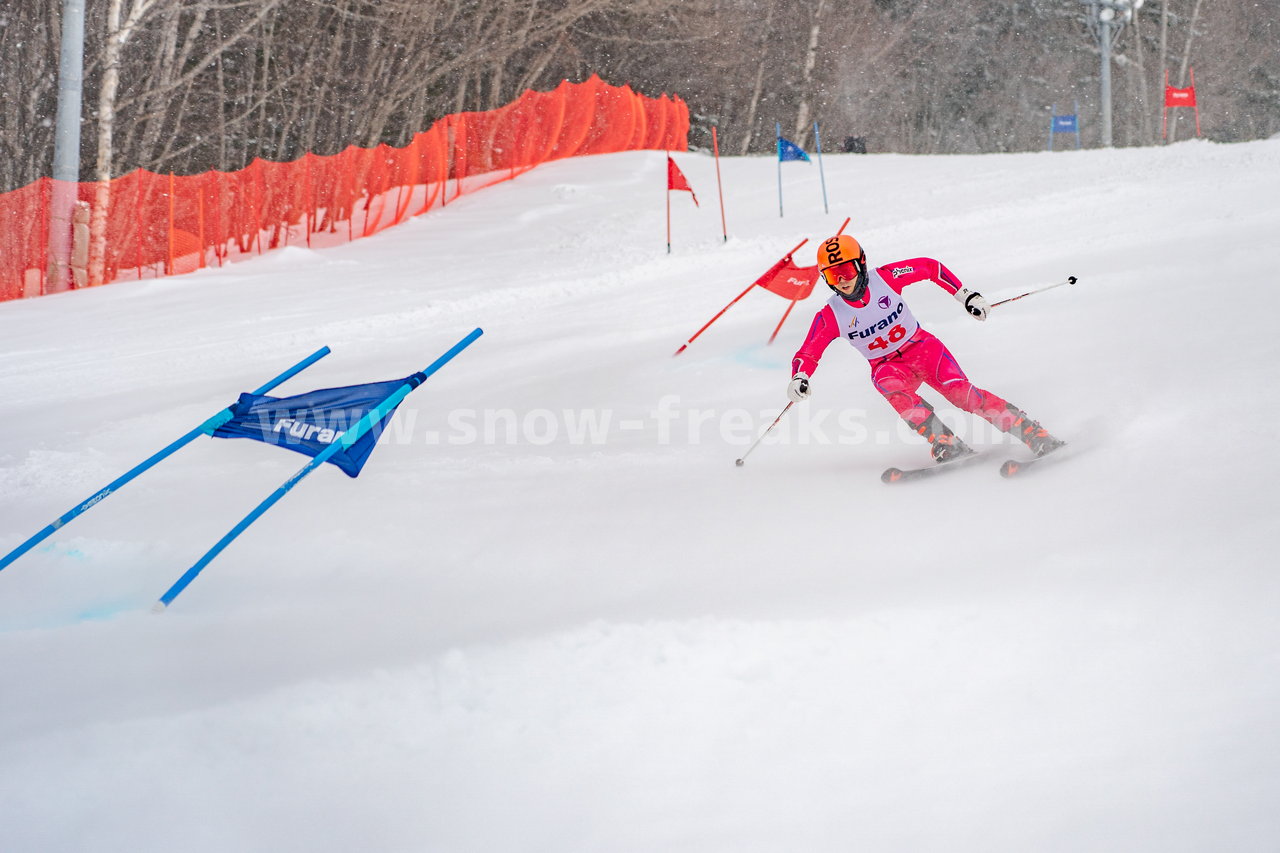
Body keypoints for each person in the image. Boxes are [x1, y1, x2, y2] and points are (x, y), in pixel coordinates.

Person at [787, 233, 1063, 463]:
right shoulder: (831, 314)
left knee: (962, 396)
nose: (843, 281)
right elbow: (807, 353)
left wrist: (965, 296)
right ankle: (945, 441)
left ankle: (1031, 432)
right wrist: (800, 377)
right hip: (888, 366)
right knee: (885, 382)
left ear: (861, 264)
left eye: (846, 270)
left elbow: (930, 267)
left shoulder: (887, 277)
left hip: (922, 349)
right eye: (833, 276)